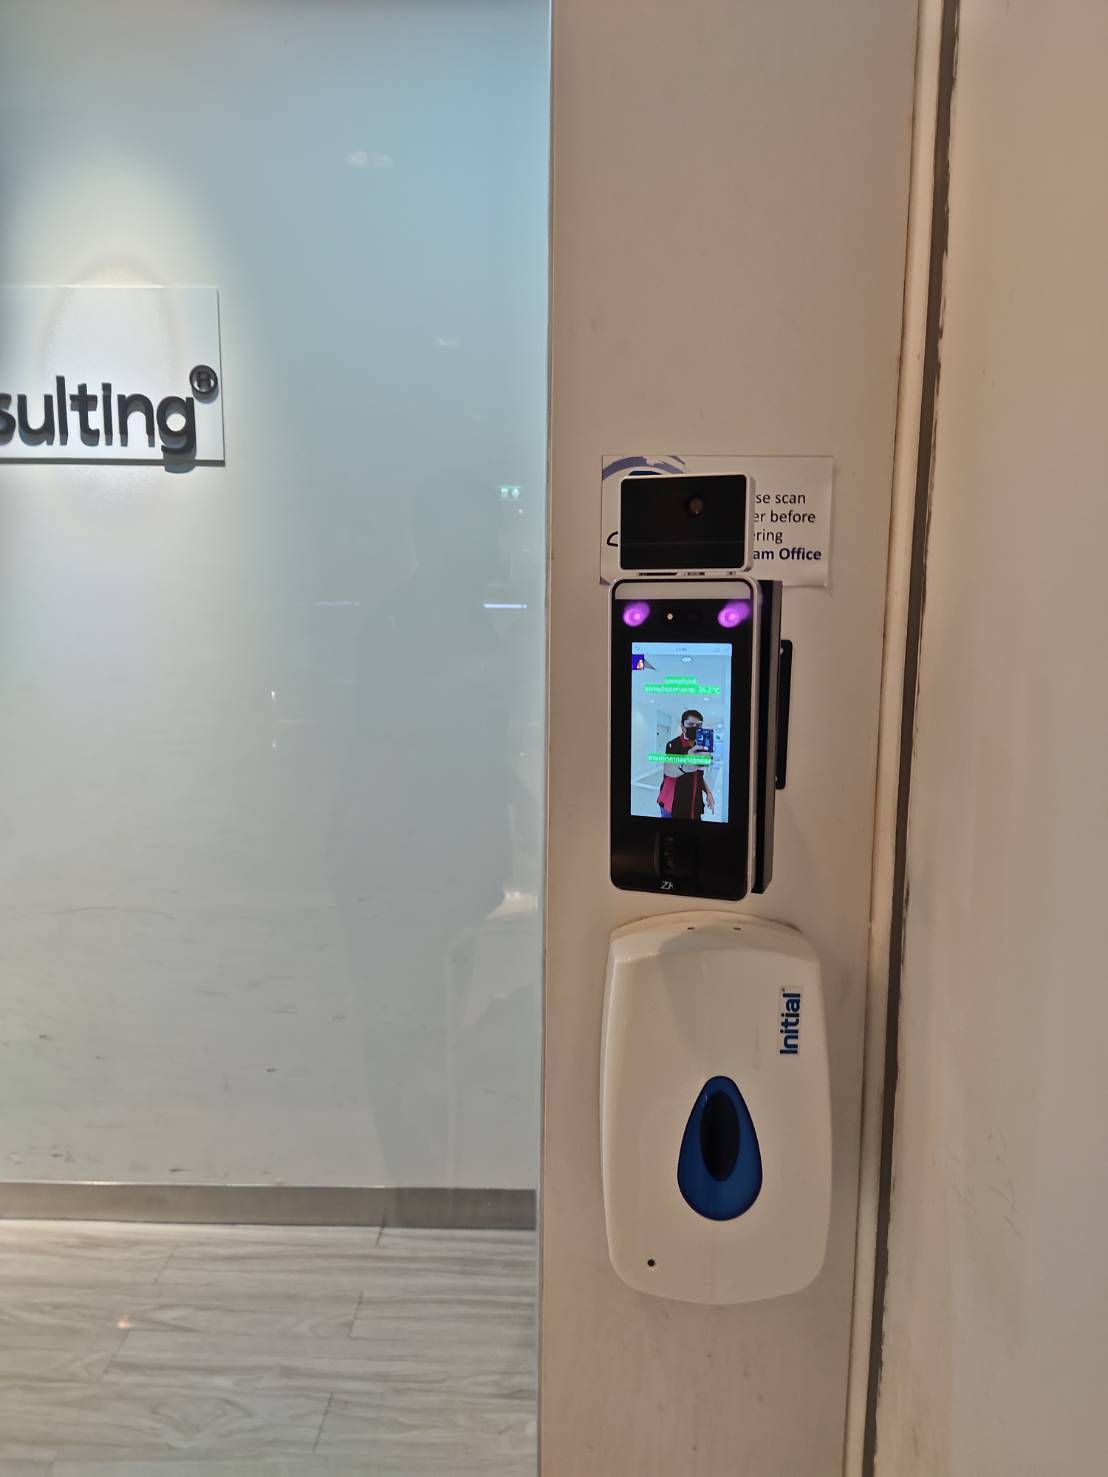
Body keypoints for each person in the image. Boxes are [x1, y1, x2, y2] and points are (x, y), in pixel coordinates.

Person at [657, 708, 716, 819]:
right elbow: (668, 769)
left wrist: (708, 791)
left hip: (694, 804)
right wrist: (685, 765)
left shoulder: (700, 747)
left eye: (698, 725)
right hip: (672, 804)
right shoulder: (673, 745)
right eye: (690, 724)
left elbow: (698, 774)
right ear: (682, 726)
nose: (695, 727)